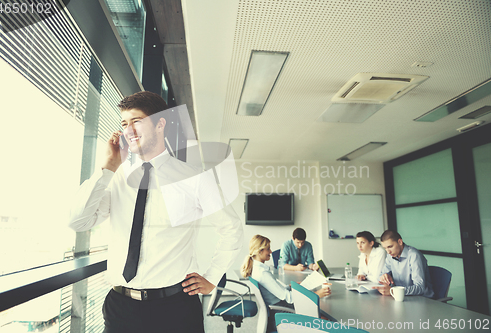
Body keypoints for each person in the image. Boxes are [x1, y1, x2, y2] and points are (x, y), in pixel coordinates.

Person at [68, 91, 243, 333]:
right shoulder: (117, 178)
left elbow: (231, 228)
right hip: (120, 307)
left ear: (160, 124)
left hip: (175, 308)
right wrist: (107, 167)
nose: (129, 130)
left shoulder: (195, 177)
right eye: (124, 124)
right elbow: (78, 220)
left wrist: (212, 277)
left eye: (137, 121)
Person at [241, 235, 330, 331]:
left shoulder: (257, 268)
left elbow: (275, 290)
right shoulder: (262, 273)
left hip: (277, 308)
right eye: (268, 249)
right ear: (260, 252)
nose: (271, 252)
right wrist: (316, 294)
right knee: (324, 320)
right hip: (280, 312)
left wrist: (289, 287)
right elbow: (290, 298)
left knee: (320, 314)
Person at [373, 230, 434, 298]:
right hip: (401, 297)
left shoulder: (414, 256)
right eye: (385, 248)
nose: (388, 252)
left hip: (421, 299)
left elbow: (420, 288)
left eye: (390, 246)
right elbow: (380, 277)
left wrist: (393, 291)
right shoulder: (390, 255)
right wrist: (385, 277)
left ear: (400, 242)